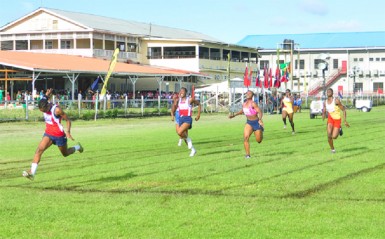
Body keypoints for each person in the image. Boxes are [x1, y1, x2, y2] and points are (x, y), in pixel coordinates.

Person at [22, 89, 84, 180]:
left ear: (47, 106)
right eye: (41, 111)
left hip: (59, 135)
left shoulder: (57, 110)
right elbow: (46, 95)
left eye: (44, 110)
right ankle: (32, 173)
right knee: (39, 150)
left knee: (65, 153)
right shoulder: (43, 101)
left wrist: (68, 132)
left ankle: (78, 147)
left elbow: (67, 120)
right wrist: (48, 92)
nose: (43, 112)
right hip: (48, 134)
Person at [229, 90, 264, 159]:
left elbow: (260, 112)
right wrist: (234, 115)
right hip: (249, 123)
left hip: (256, 122)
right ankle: (247, 155)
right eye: (247, 93)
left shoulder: (253, 104)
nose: (247, 94)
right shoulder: (244, 104)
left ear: (252, 95)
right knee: (246, 137)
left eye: (249, 93)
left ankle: (261, 130)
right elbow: (242, 111)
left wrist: (260, 119)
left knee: (259, 140)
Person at [172, 87, 201, 157]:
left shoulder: (190, 99)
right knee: (180, 134)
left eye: (182, 91)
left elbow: (199, 104)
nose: (181, 92)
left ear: (186, 93)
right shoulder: (179, 100)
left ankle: (188, 139)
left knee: (180, 132)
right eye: (180, 91)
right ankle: (193, 150)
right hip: (181, 118)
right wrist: (175, 102)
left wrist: (198, 115)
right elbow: (174, 108)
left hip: (187, 119)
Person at [322, 88, 350, 153]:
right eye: (327, 91)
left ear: (332, 93)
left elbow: (343, 110)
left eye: (330, 91)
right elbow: (324, 109)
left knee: (334, 137)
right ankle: (332, 149)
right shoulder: (325, 102)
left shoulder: (336, 101)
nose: (328, 92)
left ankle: (339, 128)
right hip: (330, 119)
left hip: (337, 120)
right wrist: (323, 114)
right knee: (329, 135)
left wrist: (345, 121)